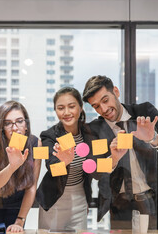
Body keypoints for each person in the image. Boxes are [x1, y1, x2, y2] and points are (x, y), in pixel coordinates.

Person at [82, 75, 158, 230]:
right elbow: (96, 171)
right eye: (96, 106)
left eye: (105, 100)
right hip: (120, 205)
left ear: (116, 92)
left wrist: (152, 138)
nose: (103, 109)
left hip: (155, 199)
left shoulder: (144, 111)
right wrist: (113, 159)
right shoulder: (93, 130)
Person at [0, 101, 41, 233]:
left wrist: (20, 219)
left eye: (19, 121)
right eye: (8, 123)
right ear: (2, 128)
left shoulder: (35, 143)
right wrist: (12, 166)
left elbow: (32, 187)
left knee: (15, 230)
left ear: (26, 125)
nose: (15, 127)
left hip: (17, 200)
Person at [36, 87, 96, 230]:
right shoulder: (49, 135)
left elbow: (93, 167)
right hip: (53, 201)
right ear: (56, 111)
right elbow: (51, 168)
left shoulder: (89, 134)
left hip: (79, 199)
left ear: (80, 108)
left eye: (72, 106)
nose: (67, 112)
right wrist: (64, 162)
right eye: (61, 108)